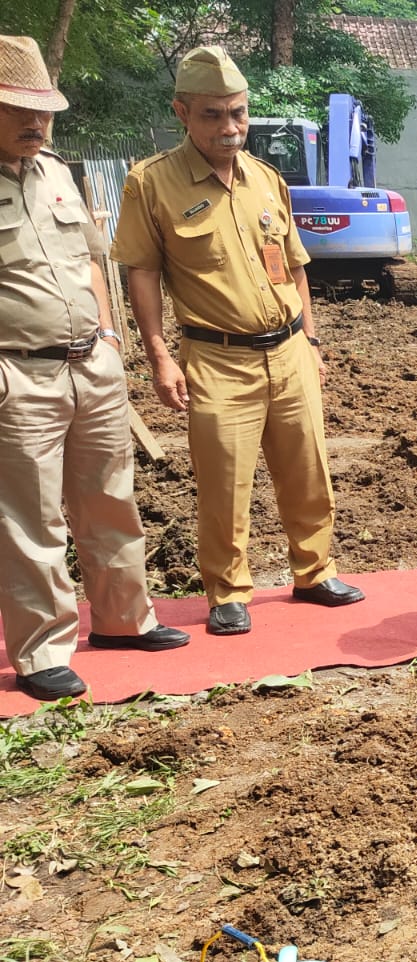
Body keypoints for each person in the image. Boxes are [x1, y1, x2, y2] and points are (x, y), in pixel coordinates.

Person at [113, 46, 364, 638]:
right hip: (217, 357)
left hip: (289, 349)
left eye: (238, 113)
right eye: (212, 115)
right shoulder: (151, 183)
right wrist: (158, 355)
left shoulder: (267, 179)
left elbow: (295, 265)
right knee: (225, 481)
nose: (229, 128)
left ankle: (315, 570)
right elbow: (141, 272)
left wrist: (312, 341)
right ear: (181, 112)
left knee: (309, 469)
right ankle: (227, 590)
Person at [0, 37, 189, 701]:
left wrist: (109, 338)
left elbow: (88, 262)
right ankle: (42, 651)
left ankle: (122, 619)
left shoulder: (56, 173)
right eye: (19, 111)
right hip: (18, 376)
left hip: (92, 367)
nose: (36, 123)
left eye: (45, 112)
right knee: (31, 520)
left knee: (110, 497)